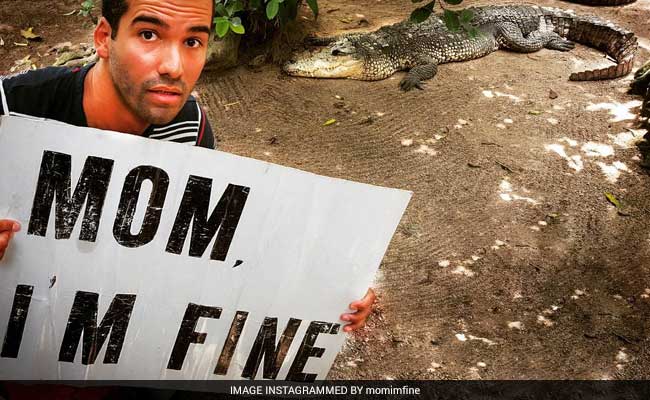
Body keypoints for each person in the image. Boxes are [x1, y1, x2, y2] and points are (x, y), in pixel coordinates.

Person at [0, 0, 375, 333]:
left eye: (193, 41)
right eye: (149, 35)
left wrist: (330, 294)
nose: (174, 67)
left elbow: (205, 253)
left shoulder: (189, 128)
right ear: (103, 38)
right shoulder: (12, 109)